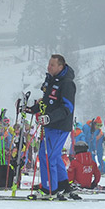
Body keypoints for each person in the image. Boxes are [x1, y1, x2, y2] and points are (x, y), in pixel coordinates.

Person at [25, 54, 78, 199]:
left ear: (61, 67)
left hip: (59, 126)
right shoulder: (51, 80)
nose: (49, 67)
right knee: (53, 155)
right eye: (49, 64)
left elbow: (67, 107)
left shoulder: (67, 83)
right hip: (49, 125)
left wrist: (50, 117)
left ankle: (49, 189)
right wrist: (30, 109)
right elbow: (46, 103)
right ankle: (63, 185)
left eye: (52, 65)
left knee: (47, 155)